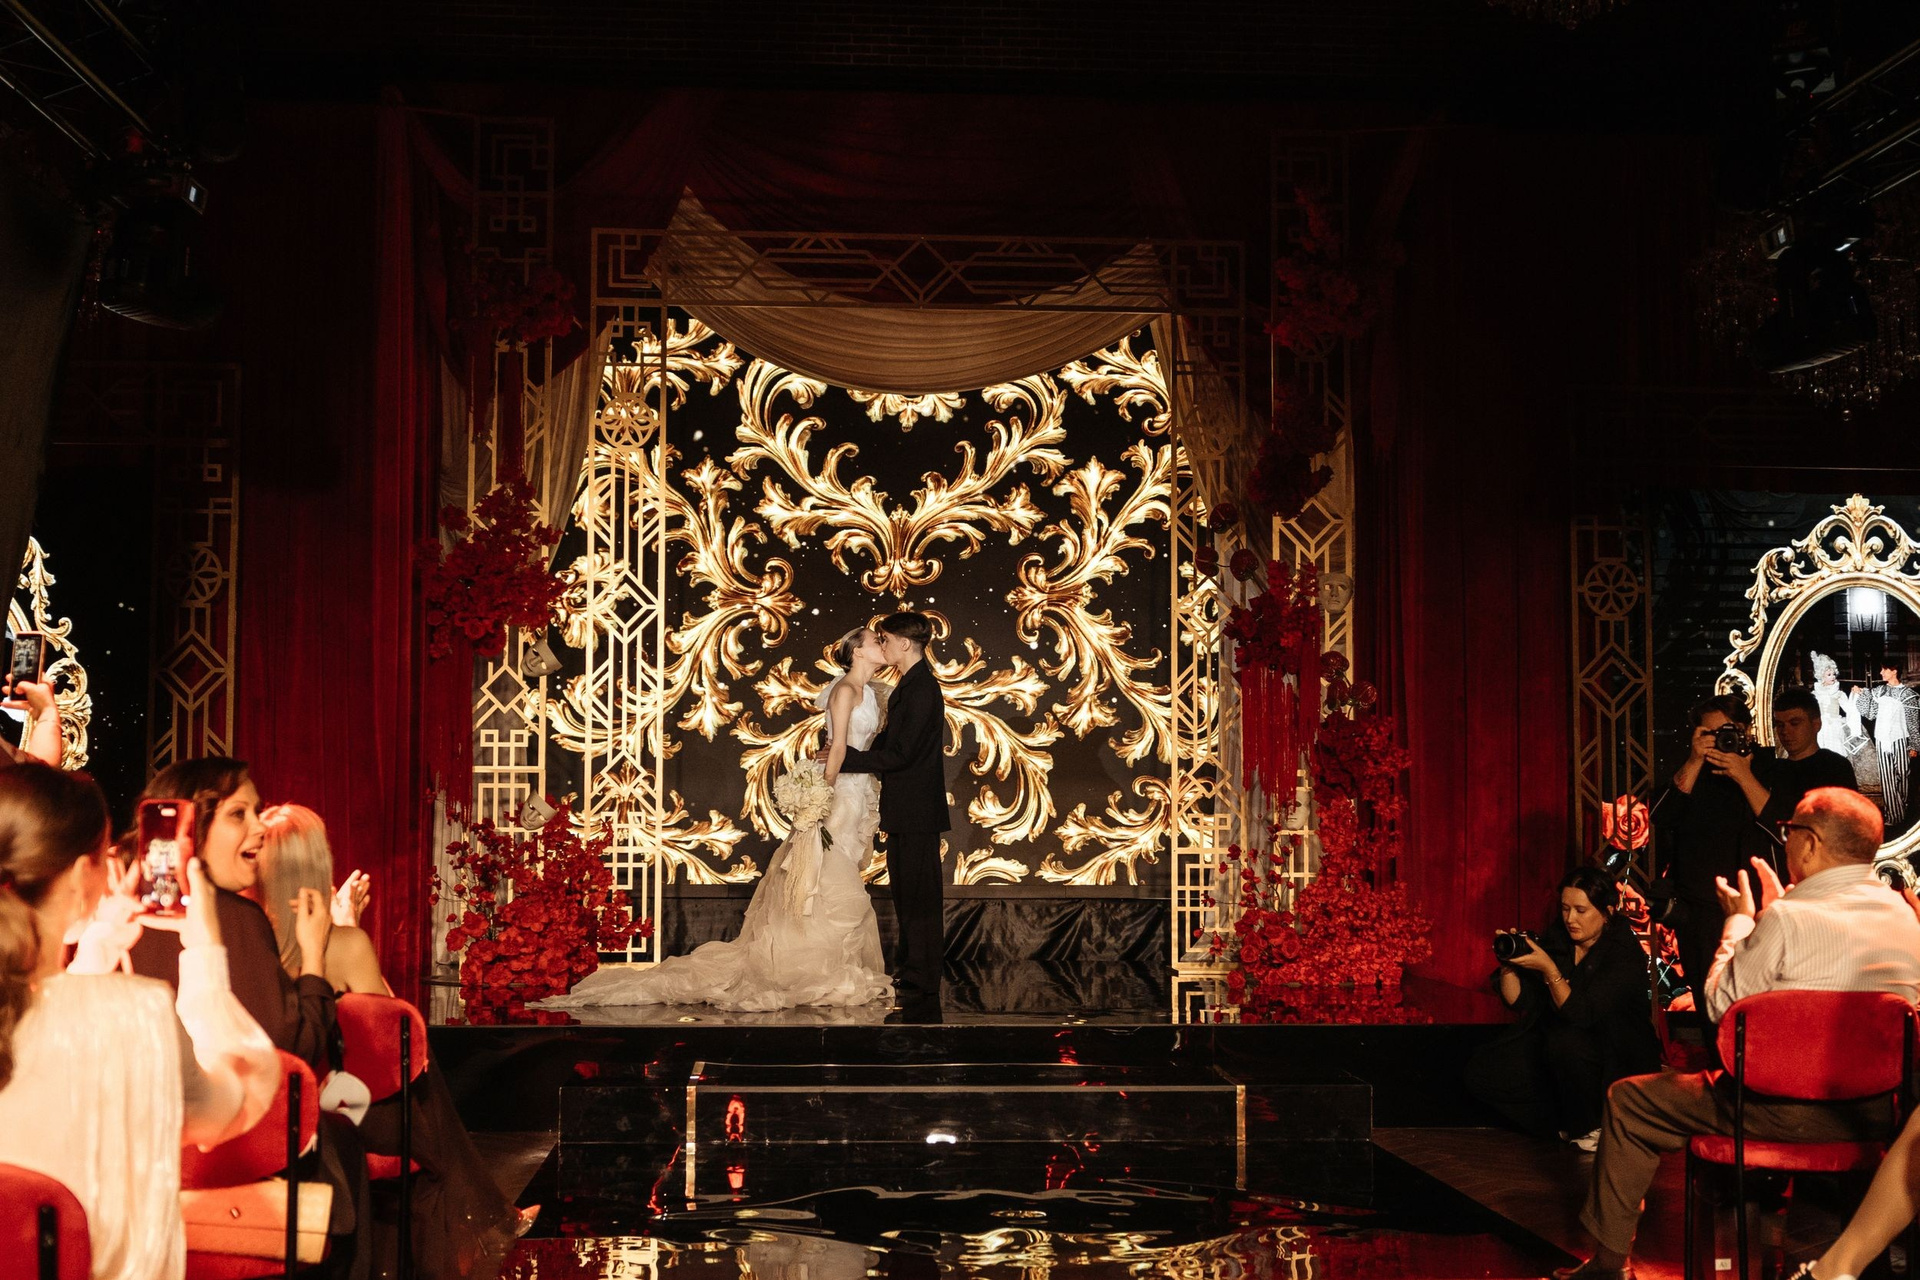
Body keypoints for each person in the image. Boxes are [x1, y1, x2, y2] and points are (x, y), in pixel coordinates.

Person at [1556, 787, 1920, 1280]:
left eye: (1789, 831)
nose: (1785, 842)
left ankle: (1607, 1264)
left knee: (1628, 1100)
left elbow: (1720, 1010)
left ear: (1810, 843)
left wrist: (1741, 925)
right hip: (1877, 1115)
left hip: (1779, 1113)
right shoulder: (1904, 917)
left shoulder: (1789, 918)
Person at [0, 762, 278, 1280]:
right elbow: (234, 1099)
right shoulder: (137, 1016)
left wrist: (97, 951)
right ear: (82, 874)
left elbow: (41, 1019)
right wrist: (205, 951)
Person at [535, 626, 895, 1012]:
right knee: (825, 876)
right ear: (857, 651)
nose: (881, 643)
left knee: (835, 872)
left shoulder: (873, 691)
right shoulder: (845, 690)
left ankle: (825, 961)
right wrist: (823, 795)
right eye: (875, 640)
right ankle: (811, 965)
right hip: (838, 791)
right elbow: (836, 747)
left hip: (857, 791)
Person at [255, 804, 528, 1279]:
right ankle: (485, 1223)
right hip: (341, 1110)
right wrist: (349, 928)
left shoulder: (244, 937)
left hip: (274, 1101)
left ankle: (486, 1219)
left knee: (421, 1100)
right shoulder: (342, 944)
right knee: (421, 1088)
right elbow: (394, 1036)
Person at [125, 757, 372, 1280]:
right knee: (347, 1143)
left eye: (257, 812)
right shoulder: (236, 918)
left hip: (138, 1160)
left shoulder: (118, 916)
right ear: (190, 827)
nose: (260, 828)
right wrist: (313, 959)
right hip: (237, 1157)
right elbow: (290, 1050)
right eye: (240, 814)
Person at [1464, 868, 1662, 1150]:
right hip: (1563, 1048)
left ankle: (1594, 1125)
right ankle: (1565, 1123)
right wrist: (1509, 965)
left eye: (1581, 910)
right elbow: (1519, 1001)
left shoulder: (1622, 952)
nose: (1570, 919)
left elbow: (1580, 1014)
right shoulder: (1560, 937)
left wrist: (1549, 970)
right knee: (1483, 1073)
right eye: (1565, 908)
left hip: (1616, 1053)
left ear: (1606, 912)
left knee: (1565, 1041)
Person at [834, 611, 951, 1022]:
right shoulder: (909, 685)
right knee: (908, 893)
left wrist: (847, 760)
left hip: (917, 810)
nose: (881, 645)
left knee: (919, 896)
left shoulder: (921, 688)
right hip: (907, 809)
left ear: (904, 643)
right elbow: (891, 745)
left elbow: (901, 755)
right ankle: (913, 969)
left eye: (885, 639)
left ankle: (923, 976)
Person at [1855, 666, 1920, 837]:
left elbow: (1913, 723)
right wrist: (1862, 694)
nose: (1881, 673)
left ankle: (1903, 810)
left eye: (1884, 670)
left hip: (1900, 739)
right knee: (1887, 779)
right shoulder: (1879, 691)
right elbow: (1870, 713)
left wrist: (1914, 745)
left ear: (1894, 671)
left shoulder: (1908, 694)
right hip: (1882, 739)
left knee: (1903, 775)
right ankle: (1894, 816)